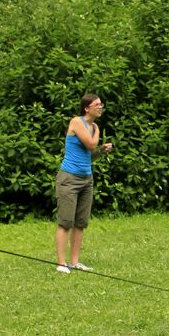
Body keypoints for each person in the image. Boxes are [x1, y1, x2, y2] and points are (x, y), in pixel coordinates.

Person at [54, 93, 113, 274]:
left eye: (101, 104)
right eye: (97, 104)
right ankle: (62, 264)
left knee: (80, 223)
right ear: (87, 108)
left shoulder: (94, 127)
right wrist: (96, 140)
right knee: (66, 222)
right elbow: (89, 144)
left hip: (86, 180)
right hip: (69, 179)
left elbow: (90, 155)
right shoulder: (77, 122)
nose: (100, 107)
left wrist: (101, 151)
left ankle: (74, 262)